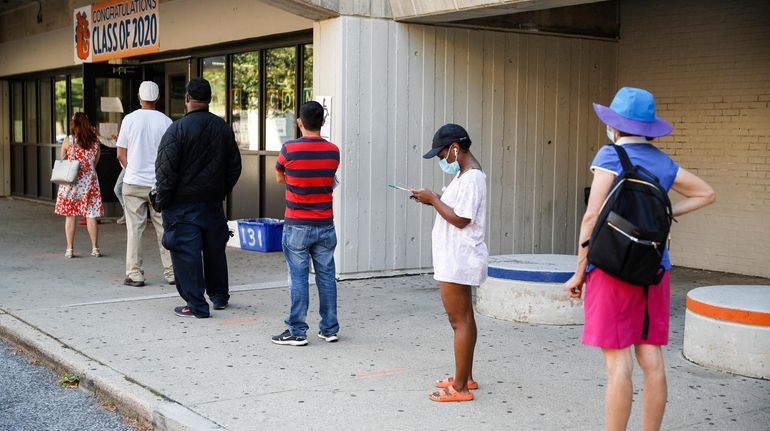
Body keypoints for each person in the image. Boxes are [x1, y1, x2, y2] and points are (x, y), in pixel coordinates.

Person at [563, 87, 716, 431]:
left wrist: (579, 273)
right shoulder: (663, 162)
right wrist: (666, 214)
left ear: (615, 126)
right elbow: (707, 193)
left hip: (611, 268)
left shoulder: (610, 155)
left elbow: (591, 218)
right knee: (653, 361)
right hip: (654, 269)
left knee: (618, 365)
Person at [411, 123, 488, 403]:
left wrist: (433, 198)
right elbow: (456, 209)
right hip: (456, 257)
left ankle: (460, 388)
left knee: (459, 322)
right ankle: (464, 377)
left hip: (459, 258)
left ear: (455, 148)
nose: (442, 160)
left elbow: (461, 219)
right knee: (465, 318)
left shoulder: (472, 178)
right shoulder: (465, 175)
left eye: (442, 155)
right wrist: (435, 200)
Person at [155, 77, 242, 318]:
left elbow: (165, 171)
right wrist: (221, 189)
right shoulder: (222, 128)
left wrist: (163, 200)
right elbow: (234, 166)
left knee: (186, 253)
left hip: (182, 205)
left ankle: (196, 305)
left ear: (187, 99)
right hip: (212, 202)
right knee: (214, 250)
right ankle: (219, 296)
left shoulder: (177, 130)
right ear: (209, 100)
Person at [271, 101, 340, 346]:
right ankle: (329, 328)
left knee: (298, 277)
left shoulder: (289, 149)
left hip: (297, 224)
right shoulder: (333, 151)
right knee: (326, 276)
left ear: (299, 122)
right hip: (325, 223)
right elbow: (329, 179)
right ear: (322, 122)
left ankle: (297, 331)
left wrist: (295, 179)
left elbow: (279, 176)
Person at [116, 81, 174, 287]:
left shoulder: (129, 120)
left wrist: (131, 169)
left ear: (140, 98)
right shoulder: (166, 122)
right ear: (157, 98)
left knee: (135, 230)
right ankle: (171, 272)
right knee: (164, 228)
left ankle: (135, 274)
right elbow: (171, 155)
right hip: (158, 185)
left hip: (133, 183)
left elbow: (120, 153)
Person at [54, 112, 104, 258]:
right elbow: (95, 161)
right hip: (90, 182)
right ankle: (95, 248)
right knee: (91, 215)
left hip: (72, 181)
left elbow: (62, 158)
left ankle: (69, 249)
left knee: (70, 216)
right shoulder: (95, 140)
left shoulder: (69, 140)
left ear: (73, 124)